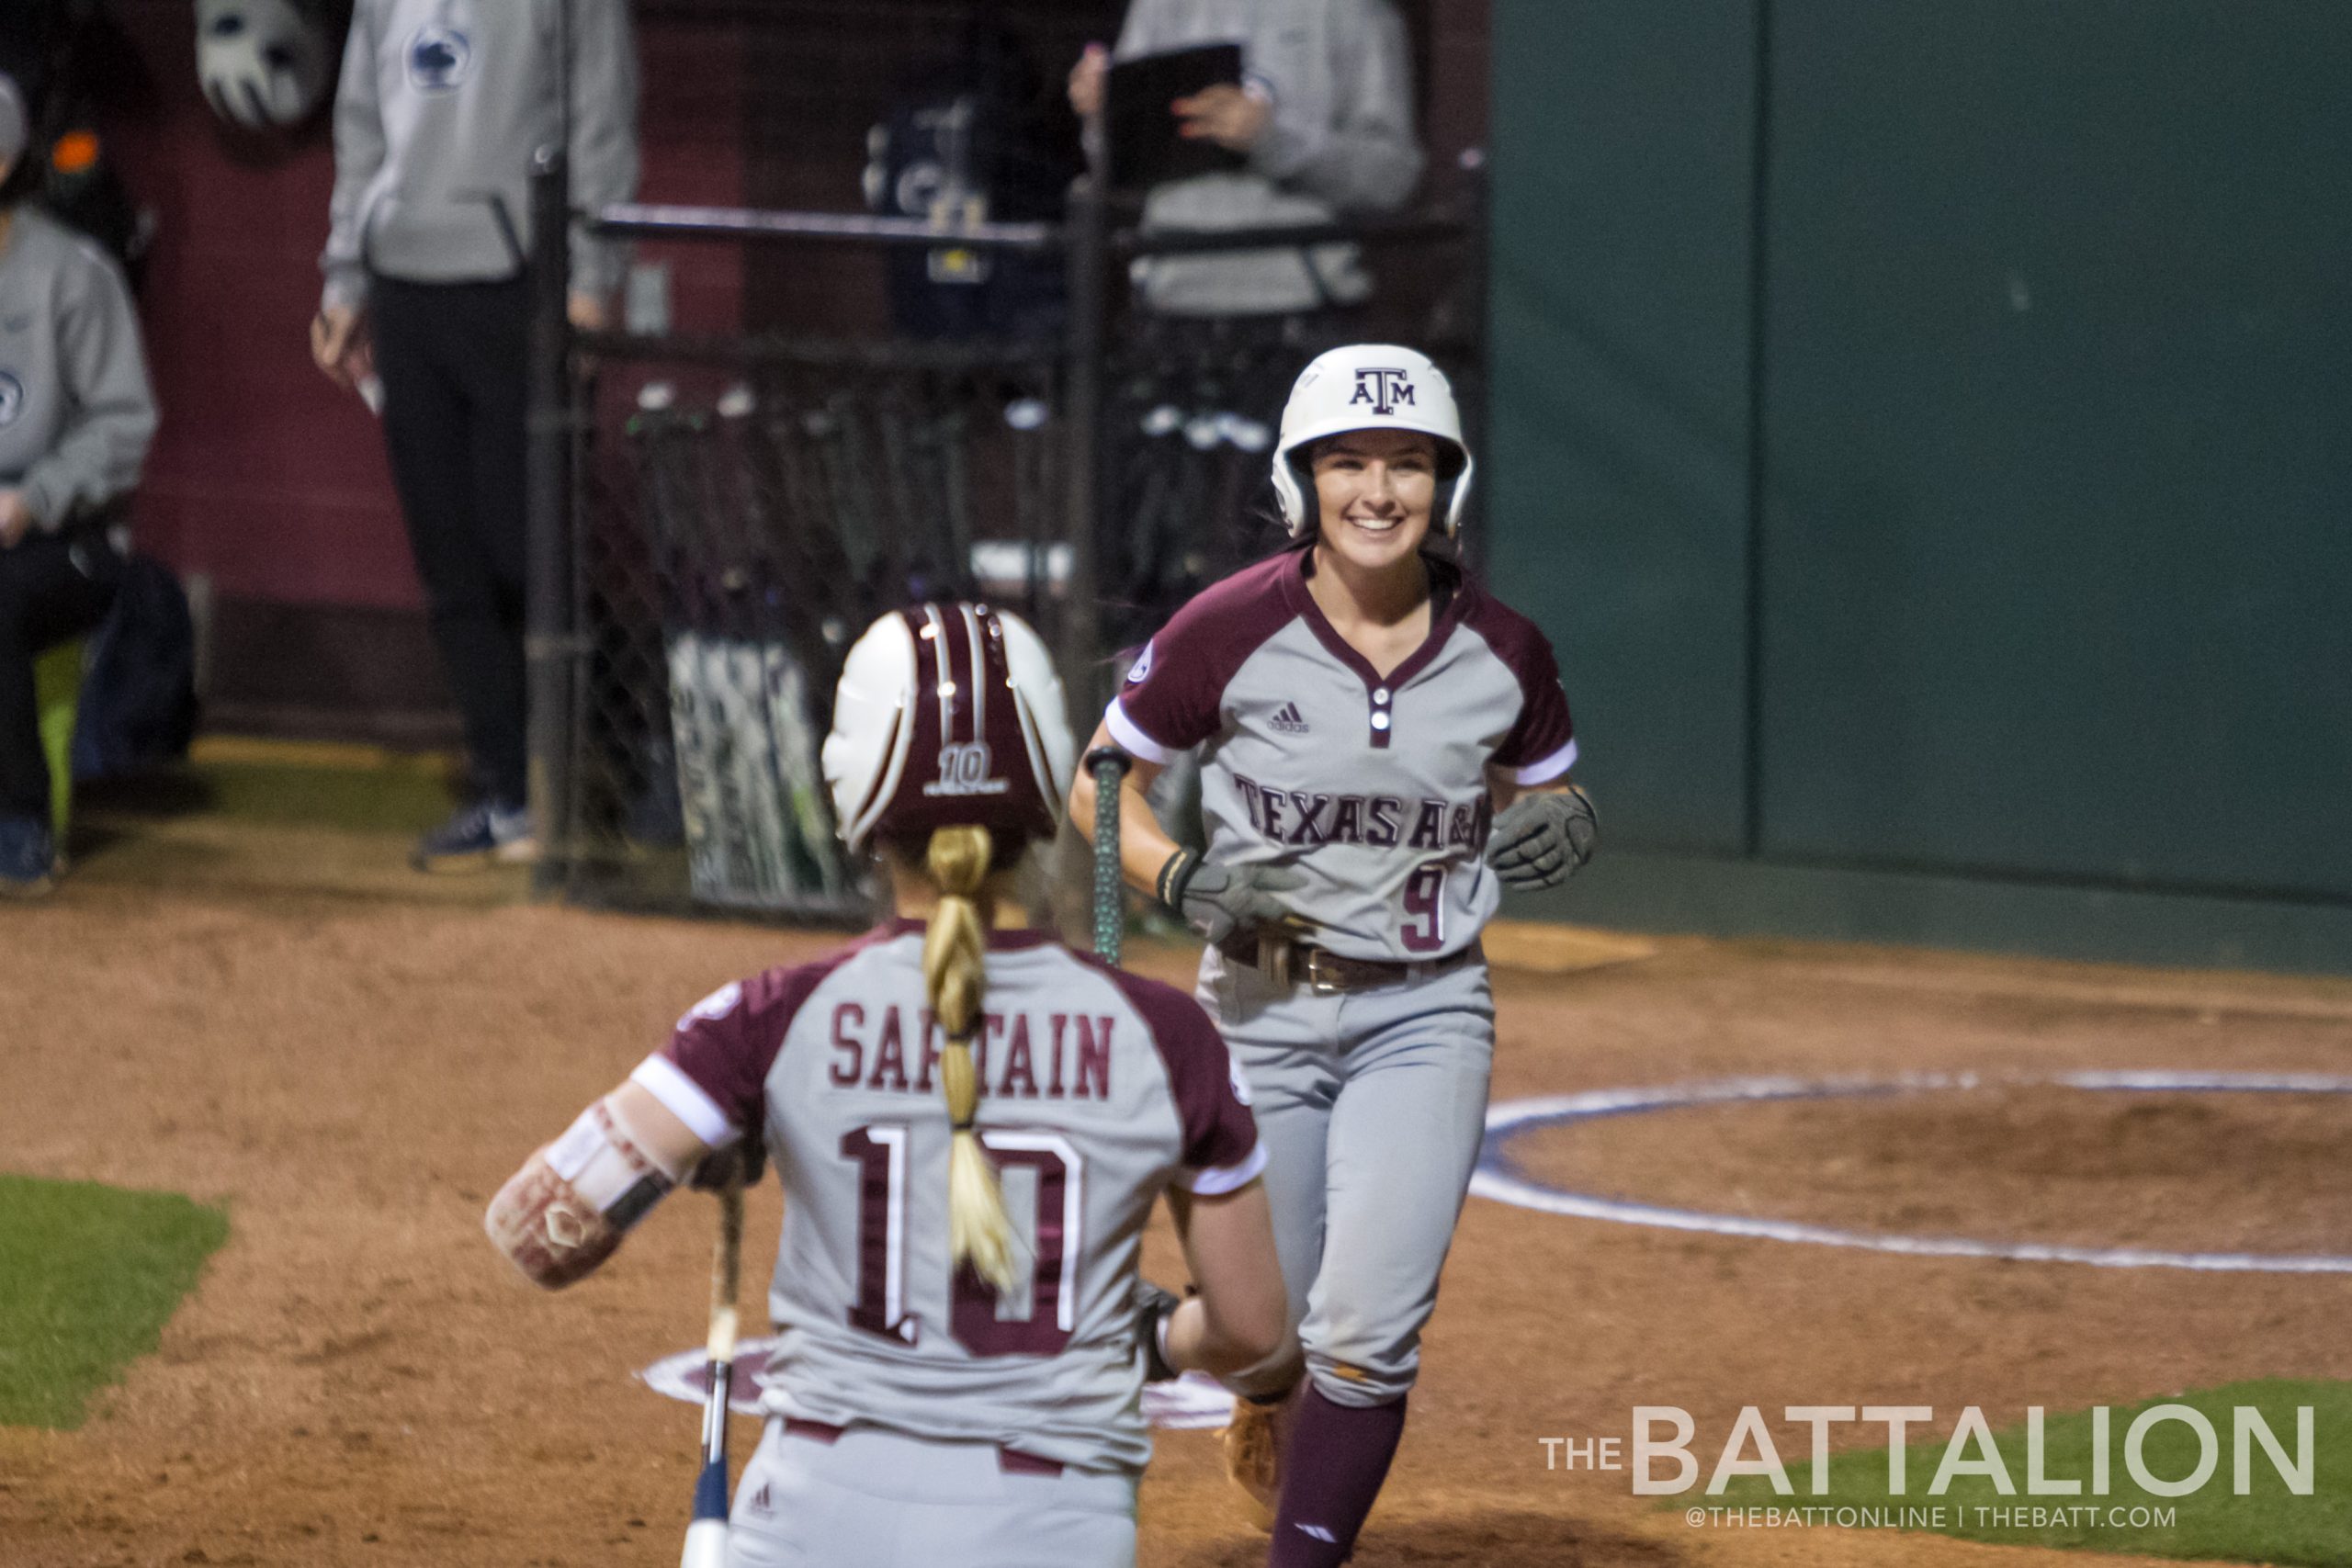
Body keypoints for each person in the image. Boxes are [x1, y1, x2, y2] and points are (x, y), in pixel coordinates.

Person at [486, 601, 1289, 1568]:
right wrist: (1160, 1340)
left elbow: (537, 1236)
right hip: (1052, 1526)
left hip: (814, 1515)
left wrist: (692, 1153)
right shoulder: (1169, 1038)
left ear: (851, 789)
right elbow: (1252, 1331)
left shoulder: (765, 1020)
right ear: (1041, 789)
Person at [1069, 344, 1597, 1565]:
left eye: (1407, 463)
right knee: (1264, 1336)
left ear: (1447, 487)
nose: (1377, 488)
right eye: (1348, 462)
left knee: (1367, 1329)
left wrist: (1563, 817)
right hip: (1258, 1009)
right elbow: (1100, 786)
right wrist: (1177, 878)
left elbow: (1547, 796)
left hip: (1429, 1012)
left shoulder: (1506, 650)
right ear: (1299, 480)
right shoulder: (1231, 625)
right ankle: (1168, 1344)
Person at [312, 0, 638, 870]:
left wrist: (592, 276)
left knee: (525, 548)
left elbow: (601, 122)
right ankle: (505, 791)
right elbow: (361, 135)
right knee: (448, 559)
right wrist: (344, 282)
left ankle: (609, 769)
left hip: (516, 282)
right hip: (403, 284)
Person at [0, 69, 157, 896]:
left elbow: (123, 424)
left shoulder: (71, 271)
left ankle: (19, 824)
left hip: (72, 540)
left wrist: (33, 499)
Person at [1068, 0, 1423, 318]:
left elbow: (1392, 178)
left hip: (1305, 305)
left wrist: (1272, 141)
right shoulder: (1158, 6)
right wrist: (1104, 116)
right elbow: (1117, 167)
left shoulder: (1355, 10)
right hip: (1169, 297)